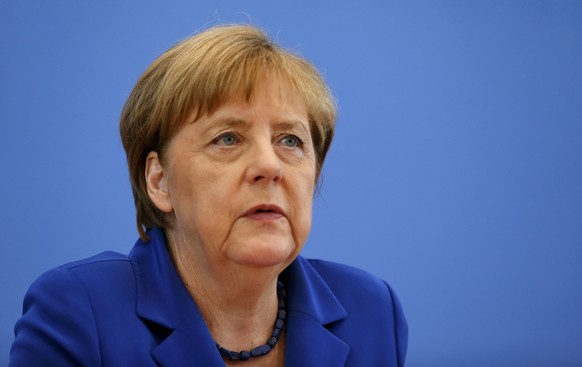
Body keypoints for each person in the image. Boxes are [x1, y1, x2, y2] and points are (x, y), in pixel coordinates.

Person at [9, 24, 407, 366]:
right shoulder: (80, 313)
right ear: (159, 181)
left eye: (290, 140)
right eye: (228, 138)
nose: (269, 166)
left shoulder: (370, 312)